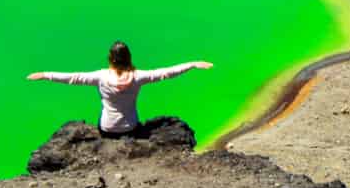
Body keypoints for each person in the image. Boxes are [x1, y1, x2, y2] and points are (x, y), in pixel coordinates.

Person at [28, 41, 213, 138]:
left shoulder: (101, 77)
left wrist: (46, 74)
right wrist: (192, 64)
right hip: (130, 128)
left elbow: (73, 78)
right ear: (129, 57)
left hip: (107, 128)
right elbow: (165, 73)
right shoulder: (138, 76)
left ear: (110, 58)